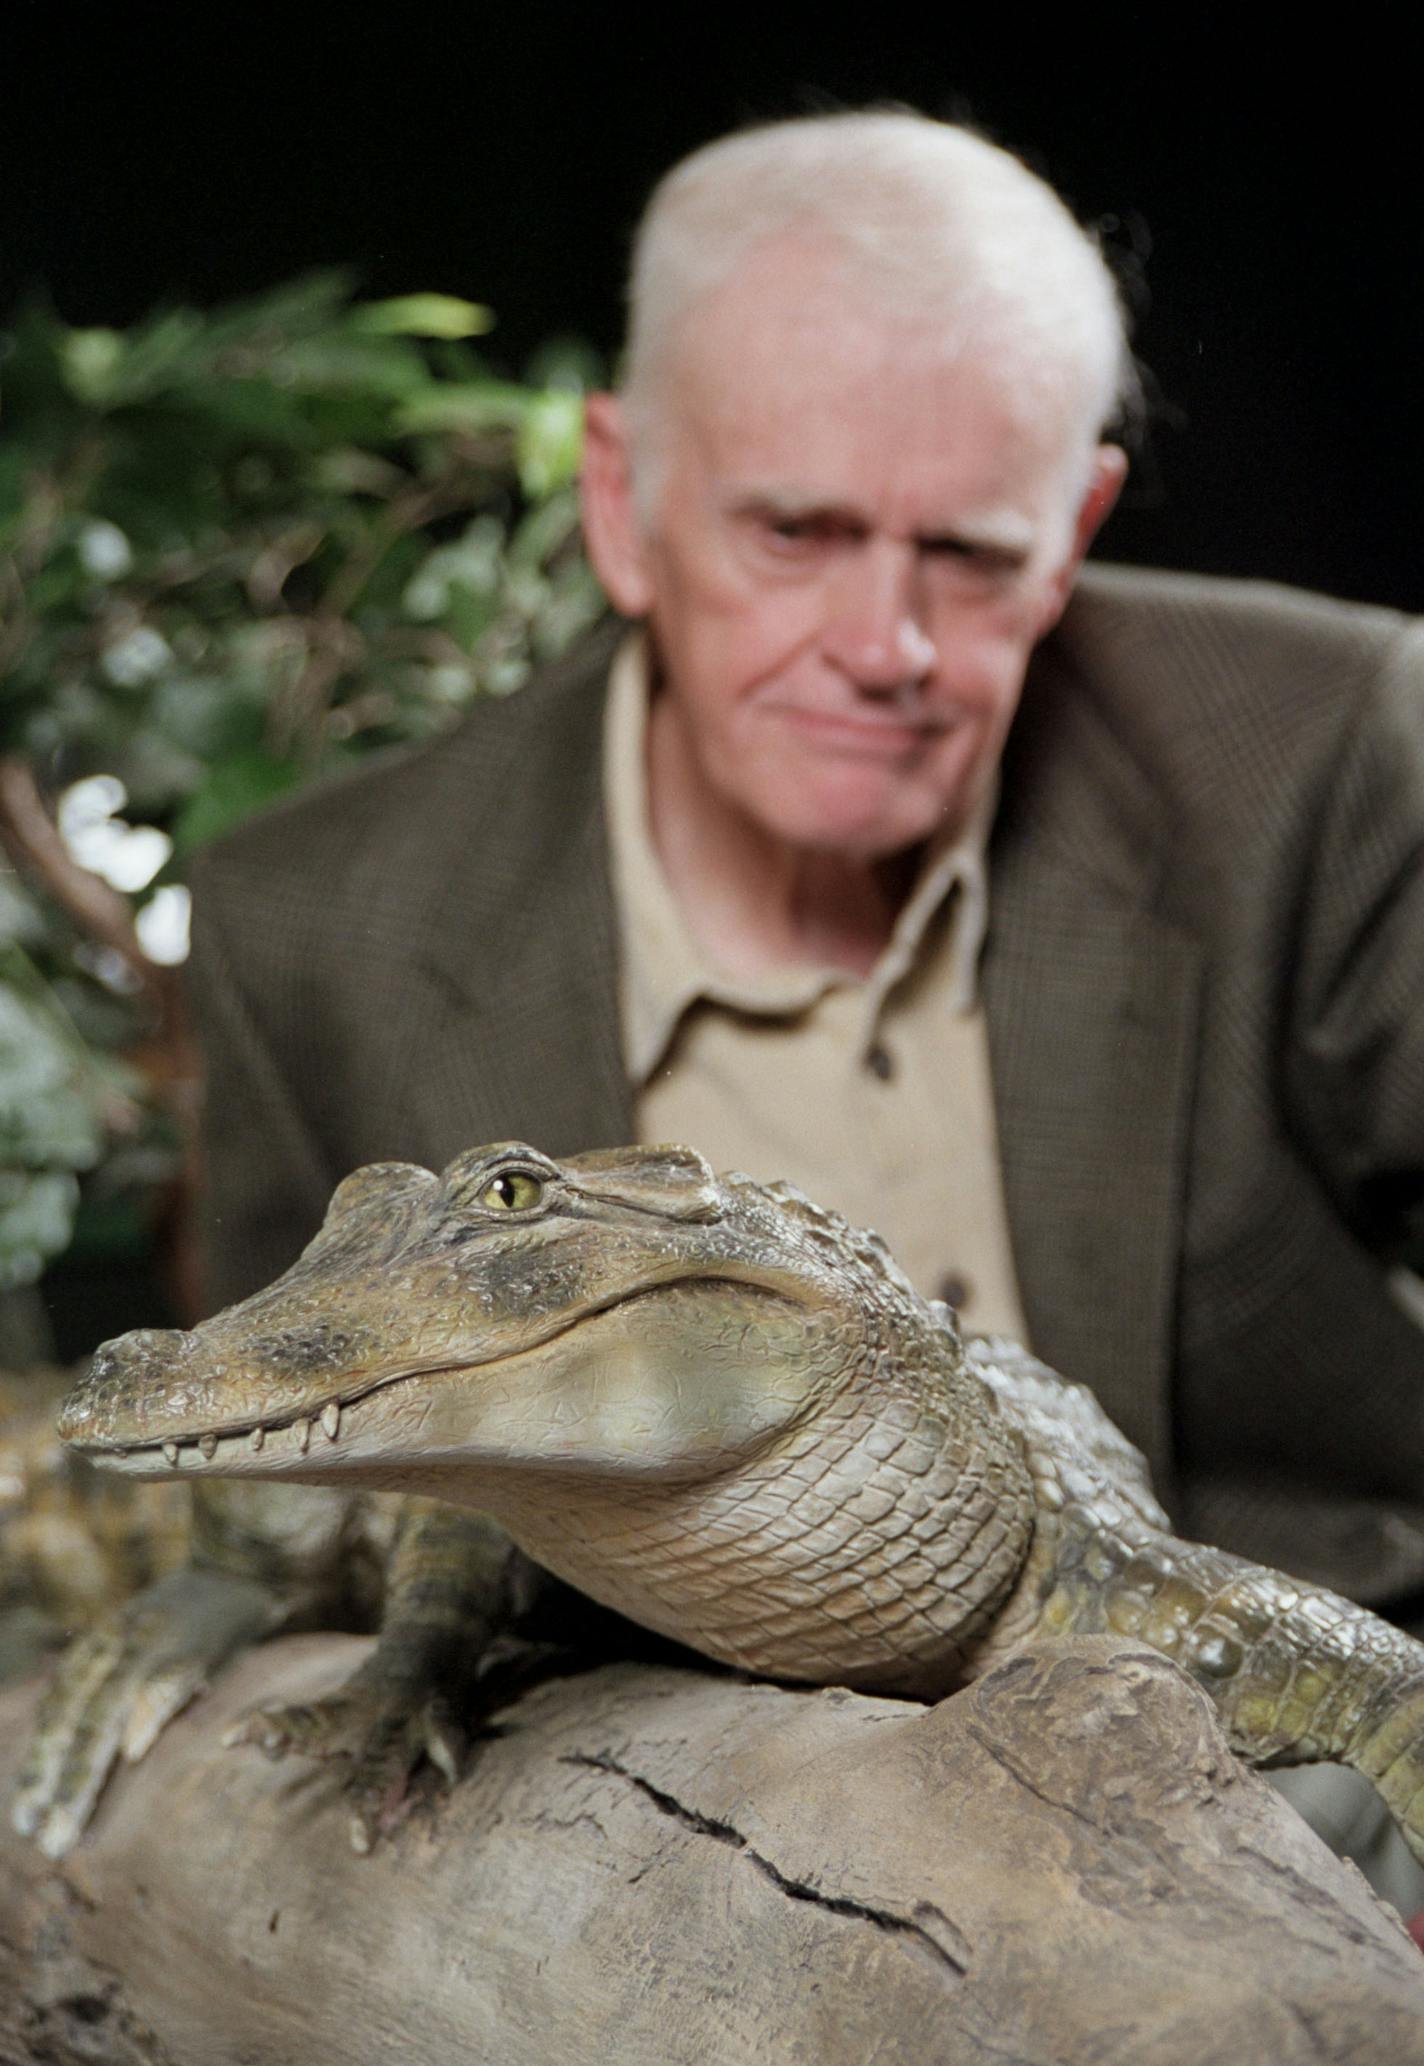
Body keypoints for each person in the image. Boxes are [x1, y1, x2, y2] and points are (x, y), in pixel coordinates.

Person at [186, 113, 1424, 1890]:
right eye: (796, 530)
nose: (887, 644)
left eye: (973, 552)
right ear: (622, 503)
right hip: (650, 1840)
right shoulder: (314, 919)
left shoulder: (1320, 754)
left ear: (1075, 522)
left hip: (1290, 1794)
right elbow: (312, 1469)